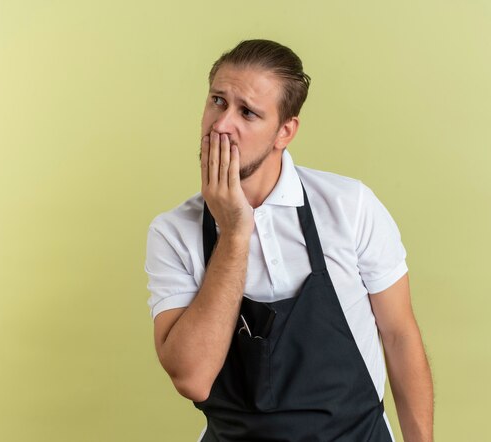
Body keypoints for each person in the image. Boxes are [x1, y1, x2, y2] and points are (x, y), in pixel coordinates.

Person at [144, 39, 434, 441]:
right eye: (217, 101)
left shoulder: (349, 208)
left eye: (247, 112)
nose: (222, 124)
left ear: (285, 131)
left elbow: (400, 335)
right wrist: (234, 233)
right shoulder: (173, 232)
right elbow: (192, 378)